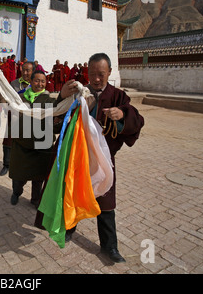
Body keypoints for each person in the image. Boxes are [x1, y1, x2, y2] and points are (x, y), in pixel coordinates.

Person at [57, 53, 144, 263]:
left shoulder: (117, 96)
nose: (96, 79)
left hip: (103, 160)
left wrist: (122, 115)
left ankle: (109, 247)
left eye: (101, 74)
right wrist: (61, 96)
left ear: (110, 73)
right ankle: (69, 229)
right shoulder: (79, 93)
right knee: (75, 195)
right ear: (87, 72)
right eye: (93, 74)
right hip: (79, 158)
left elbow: (137, 118)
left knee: (105, 203)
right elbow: (58, 115)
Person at [8, 70, 62, 207]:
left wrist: (57, 123)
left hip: (41, 146)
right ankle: (16, 192)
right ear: (31, 82)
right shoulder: (20, 98)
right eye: (37, 81)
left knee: (39, 177)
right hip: (22, 144)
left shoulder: (50, 100)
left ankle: (36, 199)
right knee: (19, 176)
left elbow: (55, 122)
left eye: (43, 81)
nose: (40, 84)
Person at [0, 61, 35, 176]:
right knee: (8, 141)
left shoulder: (35, 85)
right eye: (23, 70)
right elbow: (6, 96)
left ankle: (24, 164)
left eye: (28, 70)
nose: (25, 73)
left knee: (27, 142)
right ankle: (6, 165)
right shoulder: (14, 83)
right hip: (13, 117)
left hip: (29, 119)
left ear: (33, 71)